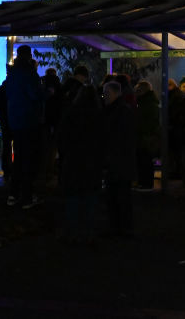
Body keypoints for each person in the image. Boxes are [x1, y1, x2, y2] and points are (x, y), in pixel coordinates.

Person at [58, 67, 105, 244]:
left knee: (73, 197)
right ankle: (89, 232)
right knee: (90, 197)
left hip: (73, 161)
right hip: (92, 163)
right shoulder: (98, 116)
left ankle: (72, 231)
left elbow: (62, 137)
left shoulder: (71, 114)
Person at [5, 45, 46, 208]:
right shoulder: (29, 74)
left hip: (15, 121)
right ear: (28, 56)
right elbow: (34, 94)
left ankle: (13, 194)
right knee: (29, 159)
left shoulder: (12, 74)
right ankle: (27, 196)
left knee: (18, 158)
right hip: (29, 120)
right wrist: (46, 93)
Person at [102, 81, 136, 237]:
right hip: (119, 160)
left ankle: (120, 226)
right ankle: (120, 226)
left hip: (118, 160)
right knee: (117, 195)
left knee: (119, 195)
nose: (105, 96)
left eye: (107, 93)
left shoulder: (119, 112)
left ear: (116, 93)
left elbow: (120, 137)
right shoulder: (120, 110)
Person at [134, 79, 160, 190]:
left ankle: (146, 184)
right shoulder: (147, 102)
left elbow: (148, 121)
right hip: (146, 136)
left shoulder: (147, 103)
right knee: (144, 160)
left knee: (145, 160)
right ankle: (144, 183)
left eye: (137, 90)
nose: (135, 93)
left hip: (146, 137)